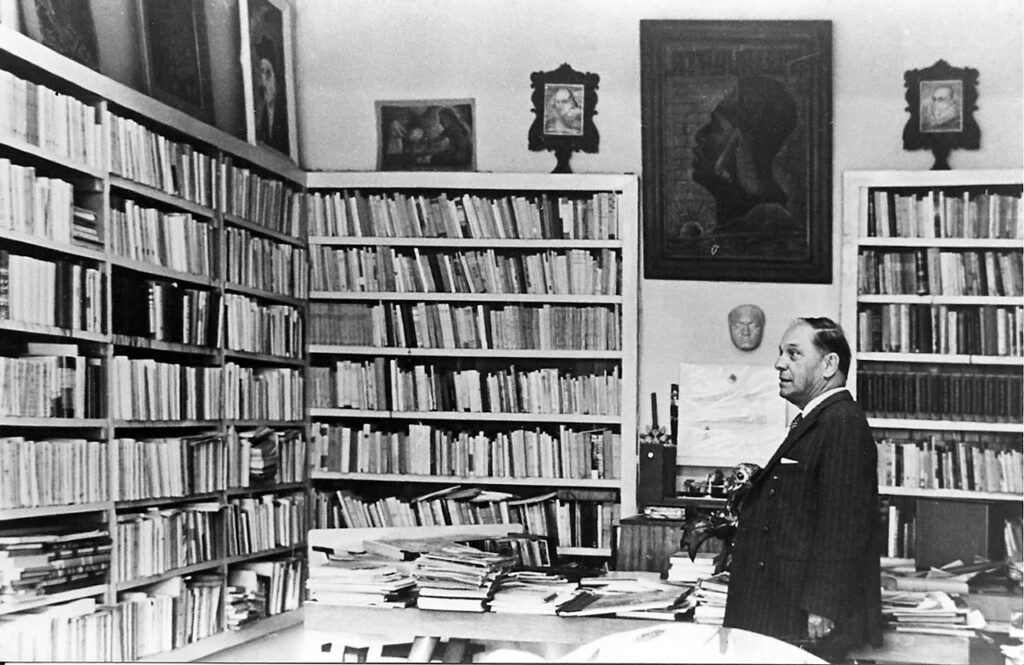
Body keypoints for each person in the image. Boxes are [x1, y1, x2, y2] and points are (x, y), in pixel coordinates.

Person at [724, 317, 883, 661]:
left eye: (793, 354)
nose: (780, 363)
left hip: (801, 617)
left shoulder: (842, 423)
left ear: (829, 364)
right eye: (782, 353)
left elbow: (843, 524)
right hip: (779, 608)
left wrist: (823, 606)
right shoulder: (820, 420)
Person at [691, 75, 800, 238]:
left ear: (746, 144)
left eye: (715, 126)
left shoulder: (768, 225)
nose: (700, 135)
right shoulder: (747, 219)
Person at [253, 36, 288, 153]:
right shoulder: (258, 113)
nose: (263, 83)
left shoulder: (286, 117)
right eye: (259, 74)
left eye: (267, 73)